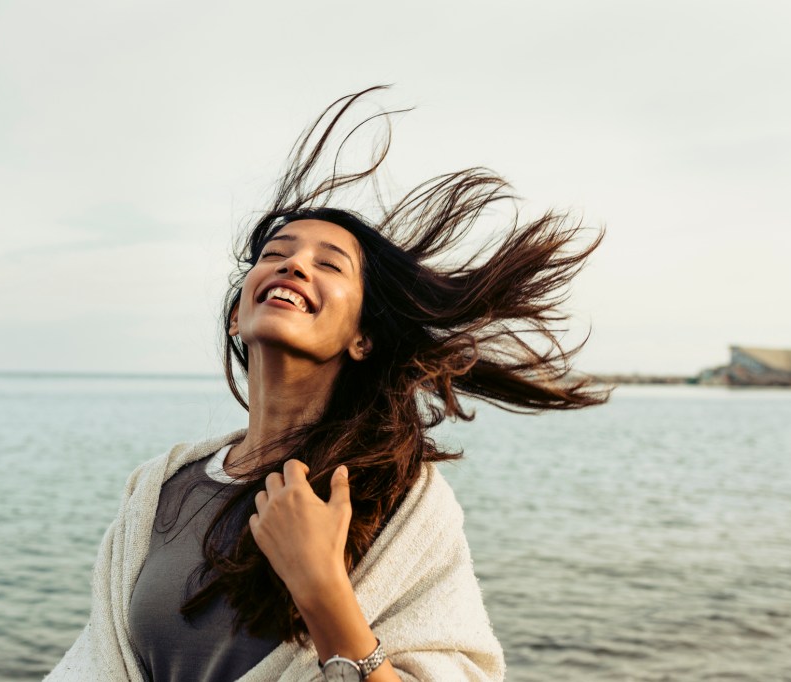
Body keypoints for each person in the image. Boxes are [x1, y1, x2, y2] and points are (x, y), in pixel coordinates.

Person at [44, 86, 608, 681]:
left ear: (362, 337)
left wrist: (321, 588)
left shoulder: (400, 496)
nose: (294, 264)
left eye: (329, 264)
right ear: (237, 314)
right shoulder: (161, 487)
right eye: (276, 253)